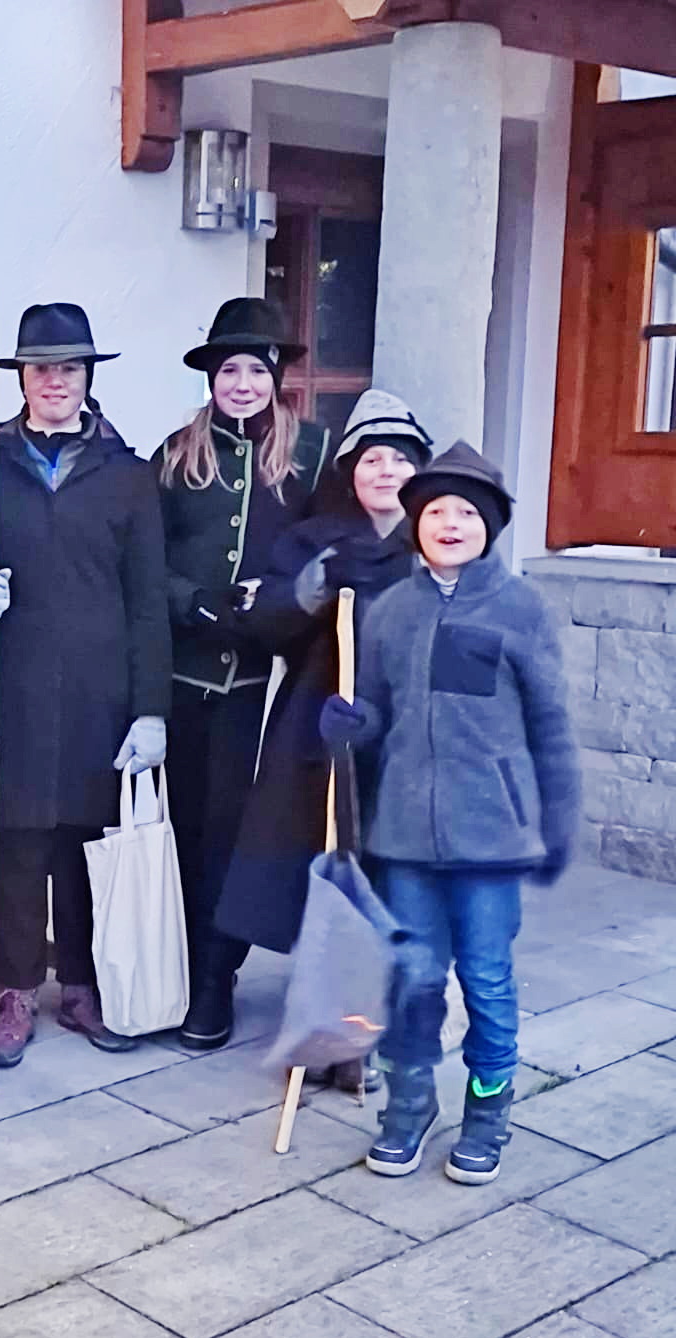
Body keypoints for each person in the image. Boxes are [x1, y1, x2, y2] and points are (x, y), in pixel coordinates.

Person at [320, 440, 580, 1183]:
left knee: (488, 981)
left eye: (467, 512)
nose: (451, 524)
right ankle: (409, 1106)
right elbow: (378, 712)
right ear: (417, 524)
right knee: (413, 979)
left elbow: (550, 723)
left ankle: (489, 1113)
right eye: (437, 511)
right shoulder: (391, 610)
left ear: (489, 526)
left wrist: (557, 821)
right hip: (405, 837)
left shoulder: (521, 609)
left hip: (492, 839)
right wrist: (349, 724)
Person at [0, 302, 171, 1068]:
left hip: (102, 692)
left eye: (69, 368)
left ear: (87, 376)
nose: (55, 381)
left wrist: (152, 710)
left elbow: (148, 599)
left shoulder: (127, 475)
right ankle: (12, 989)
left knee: (86, 842)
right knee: (17, 844)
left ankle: (82, 983)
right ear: (22, 378)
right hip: (14, 686)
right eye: (42, 369)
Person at [215, 389, 433, 1087]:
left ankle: (365, 1035)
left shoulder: (436, 540)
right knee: (325, 879)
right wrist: (311, 589)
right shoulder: (314, 540)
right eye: (372, 459)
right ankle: (322, 1028)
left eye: (399, 460)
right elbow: (265, 624)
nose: (386, 472)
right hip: (319, 732)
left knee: (389, 881)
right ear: (350, 470)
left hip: (402, 744)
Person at [156, 297, 329, 1050]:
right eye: (229, 371)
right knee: (189, 831)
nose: (242, 385)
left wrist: (281, 602)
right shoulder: (177, 453)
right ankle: (186, 973)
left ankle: (217, 978)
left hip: (269, 684)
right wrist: (190, 601)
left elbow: (329, 551)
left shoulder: (314, 453)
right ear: (212, 378)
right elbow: (146, 558)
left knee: (244, 838)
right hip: (187, 679)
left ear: (276, 376)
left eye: (255, 371)